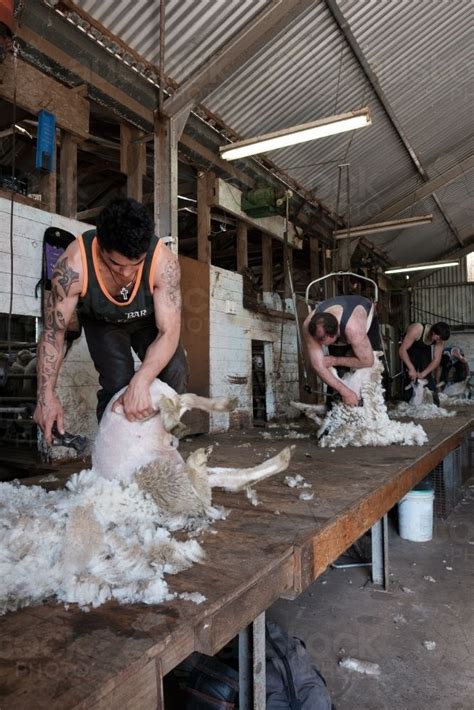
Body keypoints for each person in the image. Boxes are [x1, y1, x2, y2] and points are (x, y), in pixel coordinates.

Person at [34, 197, 188, 444]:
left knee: (176, 370)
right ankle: (112, 453)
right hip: (102, 321)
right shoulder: (73, 266)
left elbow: (168, 332)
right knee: (117, 382)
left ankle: (158, 447)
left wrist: (142, 380)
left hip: (148, 321)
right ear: (100, 246)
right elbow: (54, 333)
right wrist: (45, 396)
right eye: (116, 264)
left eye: (135, 264)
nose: (126, 273)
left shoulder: (164, 263)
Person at [303, 295, 380, 407]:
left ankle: (374, 411)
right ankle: (333, 412)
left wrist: (335, 360)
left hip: (364, 319)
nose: (319, 344)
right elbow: (318, 365)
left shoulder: (354, 329)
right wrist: (345, 392)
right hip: (342, 324)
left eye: (322, 340)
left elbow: (368, 361)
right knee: (337, 372)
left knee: (372, 368)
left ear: (334, 334)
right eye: (317, 340)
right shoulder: (309, 326)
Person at [399, 321, 450, 405]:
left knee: (427, 377)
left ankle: (434, 404)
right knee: (411, 376)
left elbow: (436, 360)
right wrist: (411, 368)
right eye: (438, 339)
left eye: (440, 340)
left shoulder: (439, 339)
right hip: (410, 348)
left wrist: (423, 374)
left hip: (425, 349)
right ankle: (407, 404)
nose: (439, 341)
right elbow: (402, 350)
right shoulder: (417, 329)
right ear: (433, 332)